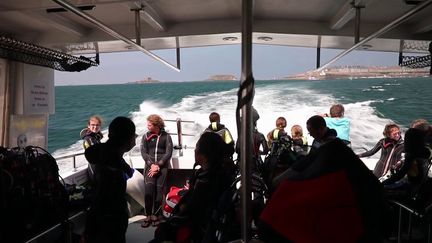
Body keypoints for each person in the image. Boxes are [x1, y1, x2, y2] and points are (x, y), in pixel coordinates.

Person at [151, 132, 235, 242]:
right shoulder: (221, 175)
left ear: (204, 156)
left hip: (196, 232)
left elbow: (192, 213)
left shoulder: (206, 182)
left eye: (196, 147)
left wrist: (181, 209)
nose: (194, 151)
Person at [82, 116, 137, 243]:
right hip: (111, 223)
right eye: (134, 135)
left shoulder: (105, 155)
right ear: (127, 139)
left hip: (96, 219)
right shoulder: (114, 166)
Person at [141, 114, 173, 227]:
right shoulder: (145, 136)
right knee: (149, 190)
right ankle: (148, 215)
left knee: (159, 192)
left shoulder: (166, 136)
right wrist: (152, 165)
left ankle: (156, 215)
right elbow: (143, 153)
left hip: (162, 167)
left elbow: (168, 153)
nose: (147, 125)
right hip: (149, 167)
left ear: (156, 125)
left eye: (149, 123)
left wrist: (158, 165)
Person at [80, 115, 103, 180]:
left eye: (97, 125)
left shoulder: (96, 137)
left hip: (100, 168)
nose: (95, 127)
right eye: (93, 125)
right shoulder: (88, 139)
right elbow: (94, 157)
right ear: (88, 126)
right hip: (95, 170)